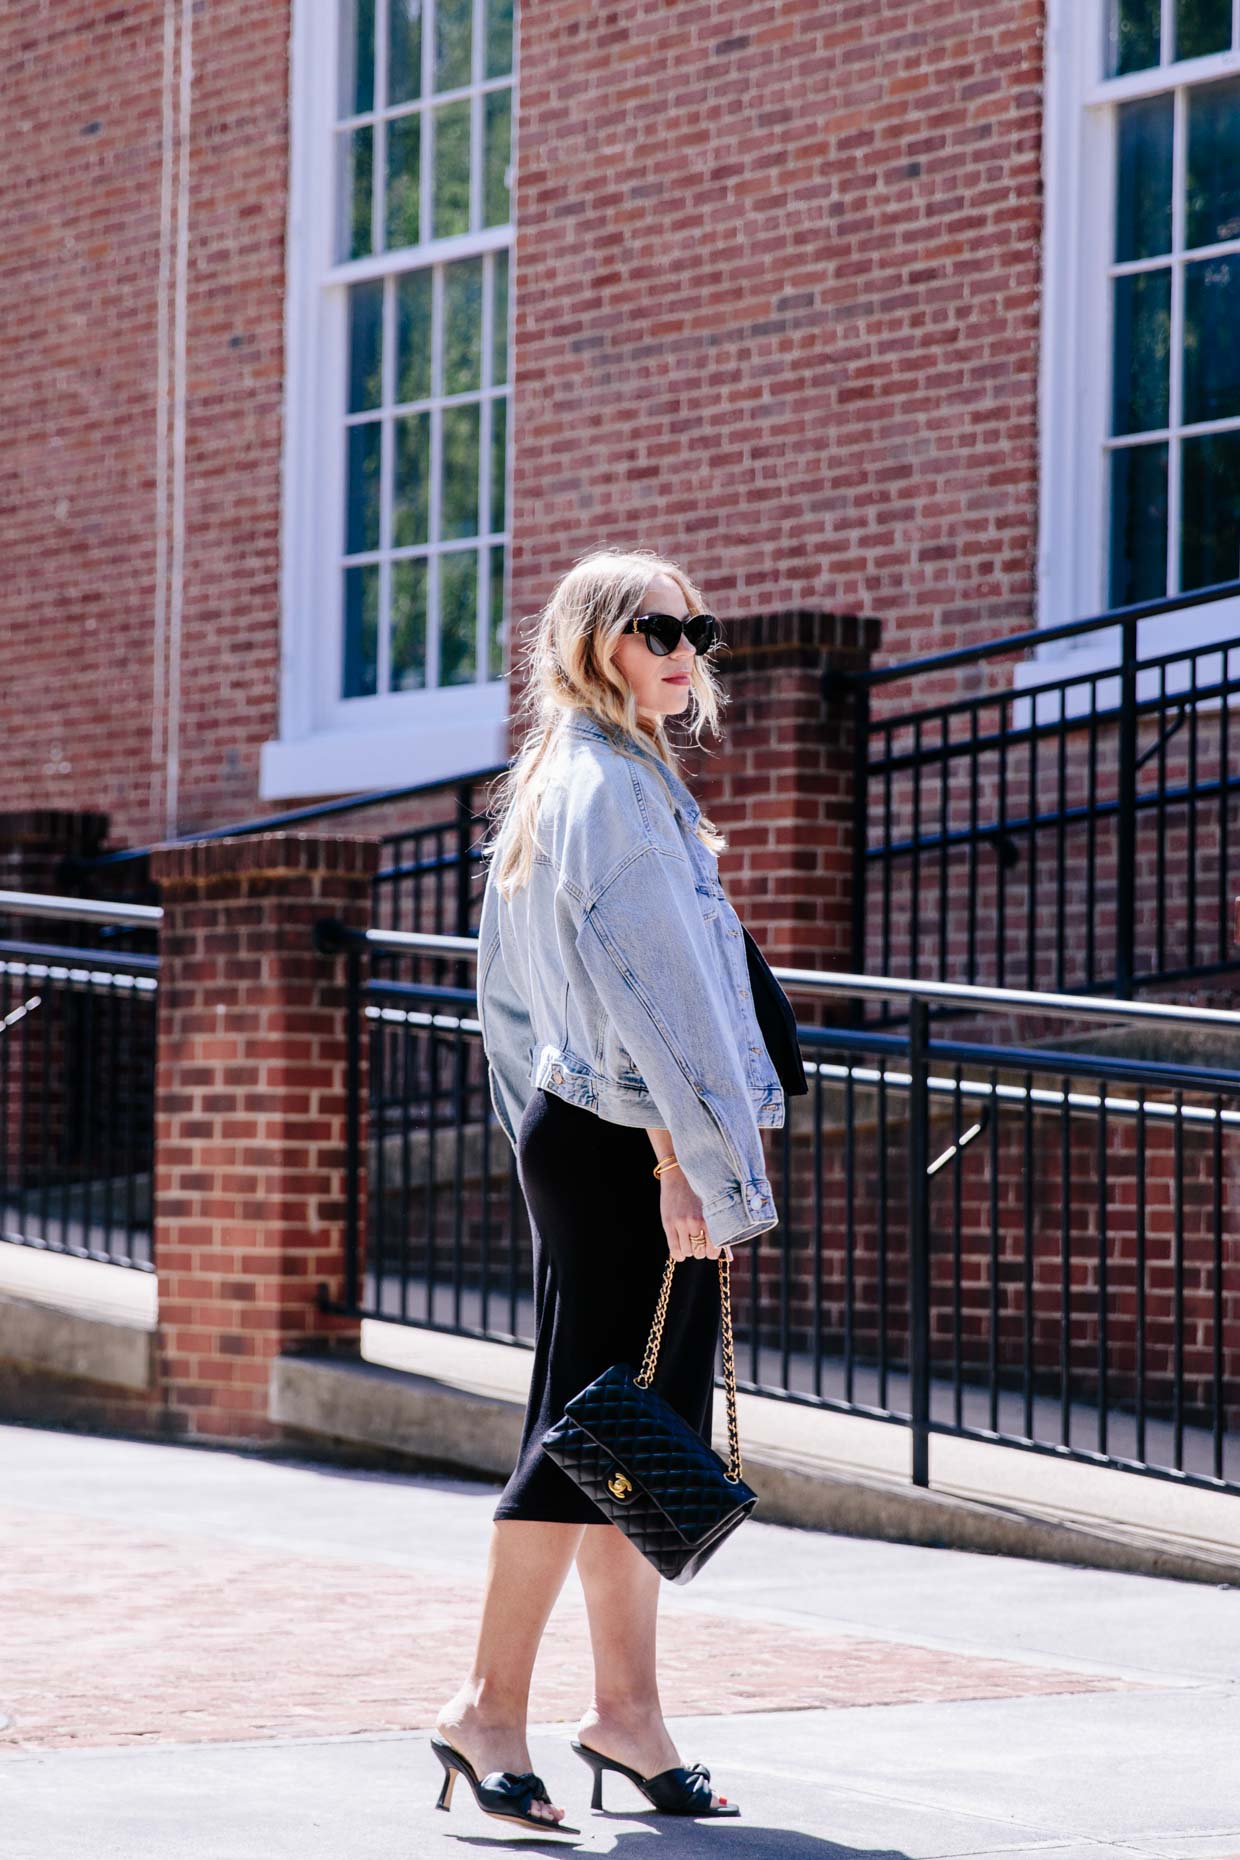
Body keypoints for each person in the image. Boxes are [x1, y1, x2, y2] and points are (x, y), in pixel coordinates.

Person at [431, 546, 792, 1833]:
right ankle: (485, 1708)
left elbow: (515, 1007)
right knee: (584, 1438)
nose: (685, 646)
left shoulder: (575, 782)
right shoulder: (609, 795)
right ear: (595, 644)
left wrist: (568, 1133)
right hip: (629, 1150)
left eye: (697, 624)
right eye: (656, 628)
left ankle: (625, 1714)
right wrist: (675, 1162)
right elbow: (643, 1007)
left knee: (626, 1440)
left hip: (591, 1137)